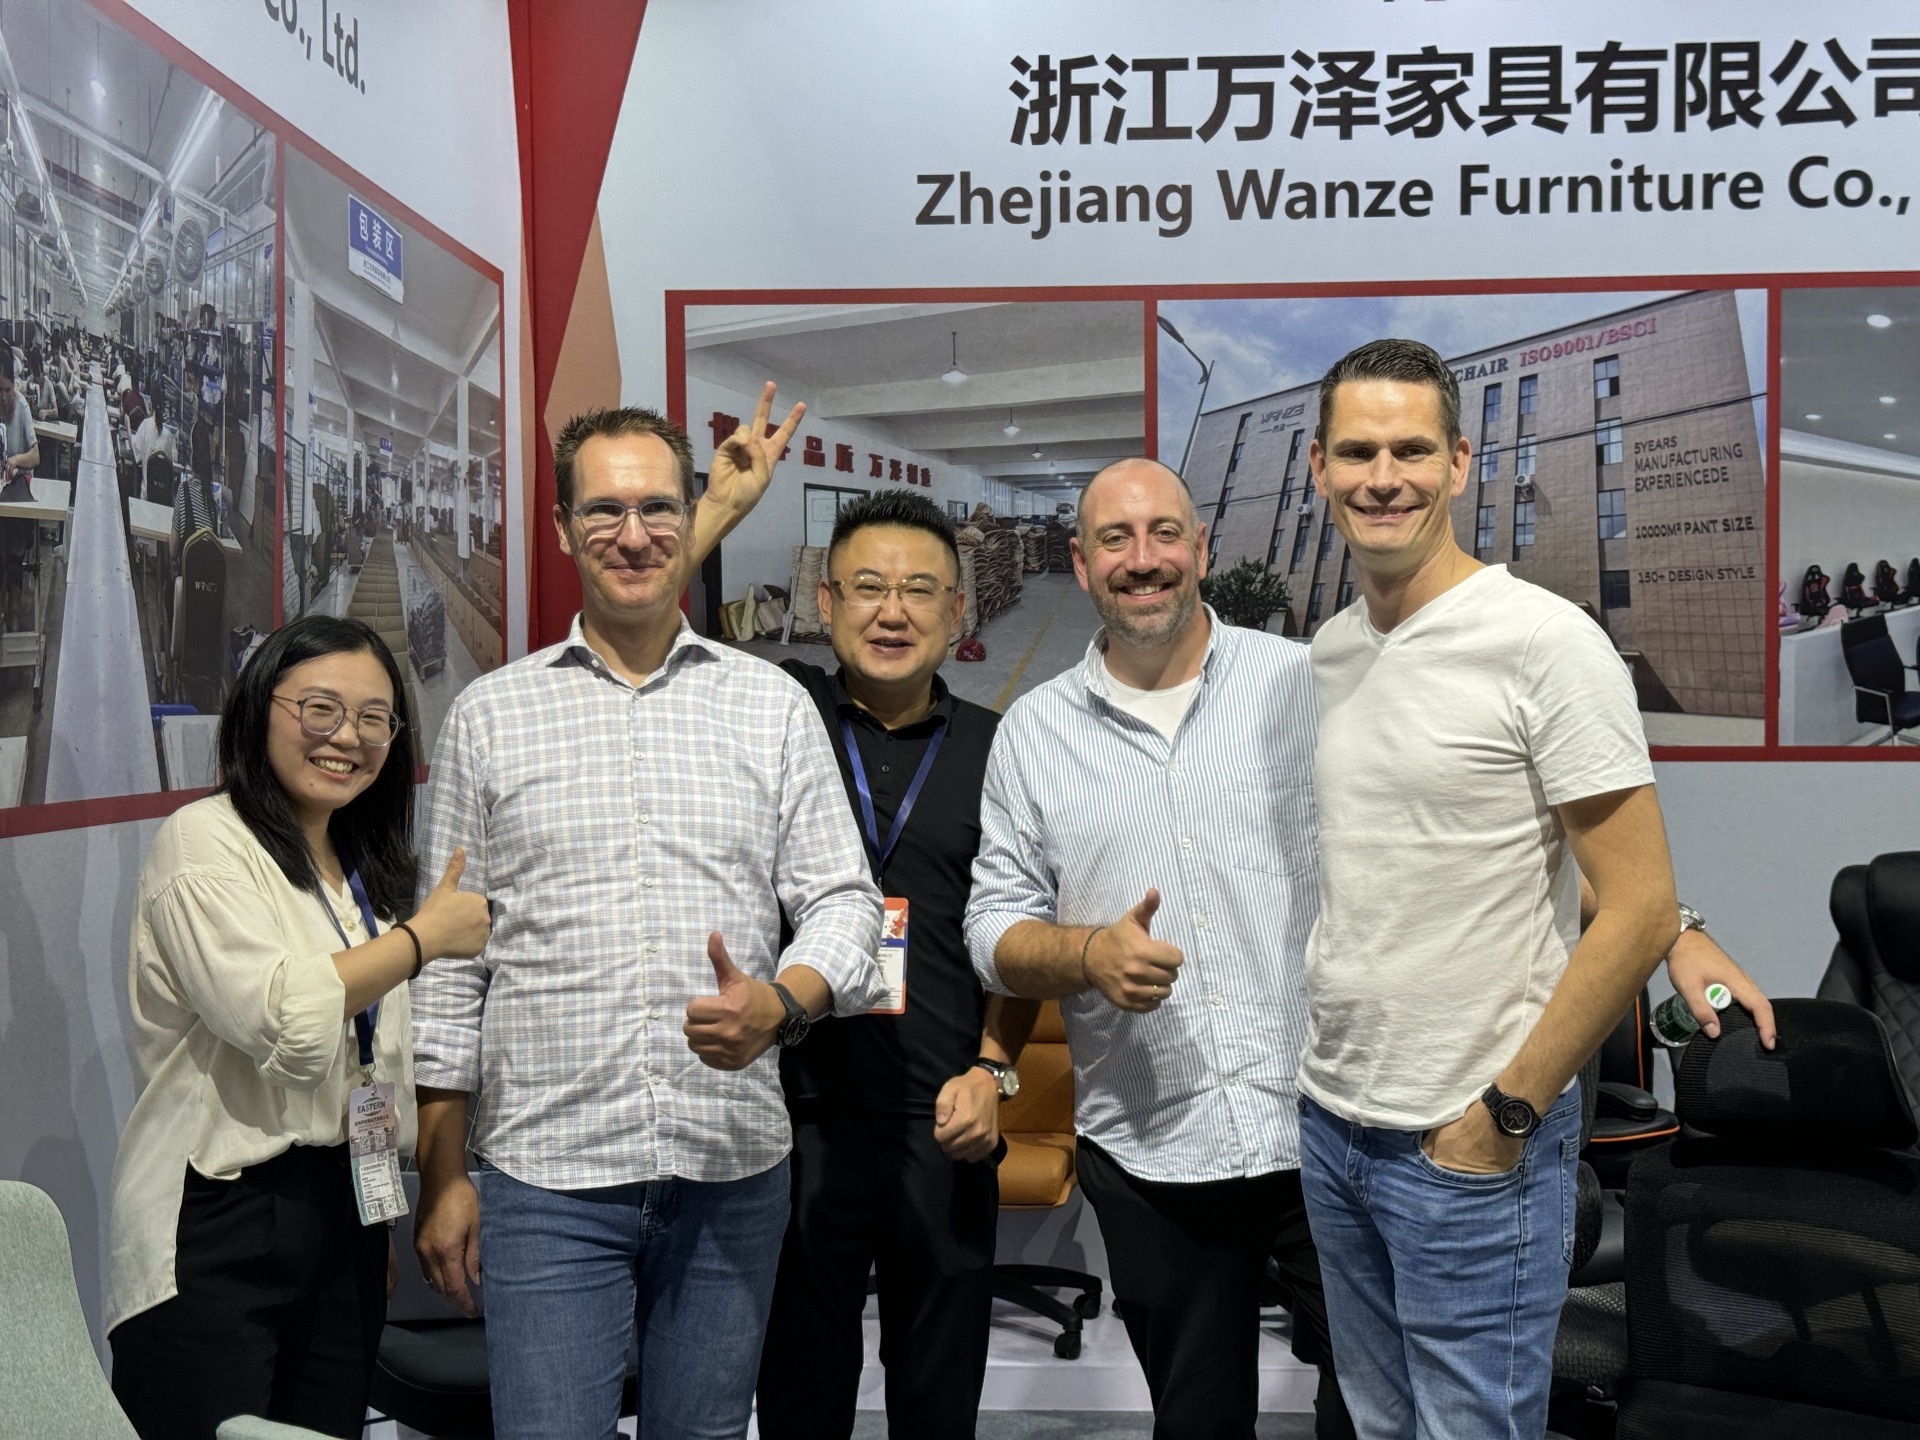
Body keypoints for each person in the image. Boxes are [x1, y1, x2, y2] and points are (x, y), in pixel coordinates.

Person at [1294, 338, 1775, 1439]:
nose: (1383, 477)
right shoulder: (1331, 651)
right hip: (1336, 1123)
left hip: (1471, 1139)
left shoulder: (1546, 644)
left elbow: (1636, 899)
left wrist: (1506, 1115)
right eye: (1357, 452)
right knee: (1377, 1422)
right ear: (1319, 468)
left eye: (1412, 450)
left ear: (1461, 463)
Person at [410, 388, 885, 1439]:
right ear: (563, 528)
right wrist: (443, 1174)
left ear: (690, 513)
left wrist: (783, 1003)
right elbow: (448, 970)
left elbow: (844, 903)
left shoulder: (769, 706)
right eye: (605, 511)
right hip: (547, 1177)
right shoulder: (490, 717)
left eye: (659, 508)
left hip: (731, 1168)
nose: (634, 535)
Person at [966, 457, 1353, 1440]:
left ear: (1201, 550)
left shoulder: (1302, 685)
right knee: (1197, 1418)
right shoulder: (1034, 734)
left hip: (1328, 1123)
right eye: (1115, 539)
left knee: (1377, 1403)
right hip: (1155, 1148)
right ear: (1080, 564)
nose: (1143, 559)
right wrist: (1085, 955)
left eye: (1164, 533)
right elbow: (992, 930)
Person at [695, 489, 1043, 1440]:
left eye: (920, 590)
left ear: (958, 611)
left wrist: (994, 1071)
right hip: (792, 1118)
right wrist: (717, 512)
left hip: (944, 1119)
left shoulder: (1000, 750)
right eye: (868, 587)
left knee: (938, 1399)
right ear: (827, 601)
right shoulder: (780, 717)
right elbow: (659, 631)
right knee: (800, 1394)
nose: (893, 612)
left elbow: (1021, 936)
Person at [106, 615, 493, 1439]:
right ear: (261, 707)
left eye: (374, 719)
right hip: (221, 1216)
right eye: (321, 709)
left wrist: (374, 1223)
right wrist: (421, 941)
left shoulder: (360, 868)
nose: (347, 738)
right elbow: (282, 1018)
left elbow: (376, 1066)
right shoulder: (204, 842)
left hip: (343, 1214)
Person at [0, 348, 40, 477]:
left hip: (20, 479)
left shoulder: (22, 407)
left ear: (14, 385)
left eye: (7, 390)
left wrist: (16, 460)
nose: (3, 397)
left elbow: (35, 456)